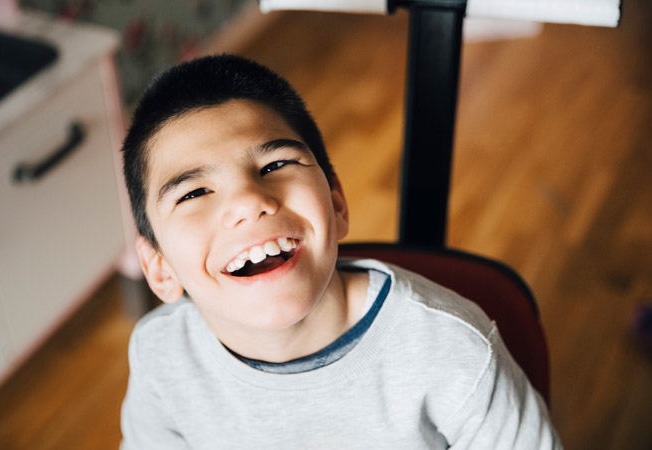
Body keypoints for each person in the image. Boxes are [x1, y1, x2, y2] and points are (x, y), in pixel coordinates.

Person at [119, 54, 561, 449]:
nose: (248, 202)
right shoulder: (159, 355)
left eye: (274, 166)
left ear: (336, 204)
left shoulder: (454, 352)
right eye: (194, 193)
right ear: (158, 268)